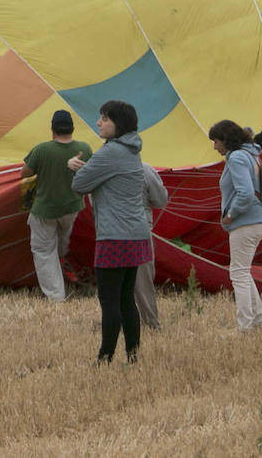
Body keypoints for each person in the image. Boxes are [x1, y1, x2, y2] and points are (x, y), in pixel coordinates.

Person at [68, 100, 152, 364]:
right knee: (127, 298)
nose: (98, 122)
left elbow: (80, 185)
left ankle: (105, 357)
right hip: (137, 233)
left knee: (109, 300)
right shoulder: (131, 150)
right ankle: (133, 355)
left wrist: (75, 168)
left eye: (104, 118)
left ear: (119, 124)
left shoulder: (110, 152)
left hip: (114, 236)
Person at [21, 109, 94, 301]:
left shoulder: (42, 149)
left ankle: (56, 296)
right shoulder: (85, 148)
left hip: (45, 211)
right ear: (72, 128)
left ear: (52, 129)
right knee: (61, 247)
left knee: (44, 251)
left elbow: (25, 173)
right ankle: (65, 270)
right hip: (72, 209)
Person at [210, 119, 262, 333]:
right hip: (259, 220)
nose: (214, 146)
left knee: (238, 275)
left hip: (245, 221)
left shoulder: (236, 158)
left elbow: (245, 193)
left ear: (226, 140)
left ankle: (245, 327)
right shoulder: (251, 154)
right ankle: (259, 322)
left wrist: (230, 214)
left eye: (216, 141)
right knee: (244, 272)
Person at [133, 163, 169, 330]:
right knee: (143, 281)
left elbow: (83, 189)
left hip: (110, 232)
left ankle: (118, 323)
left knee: (114, 281)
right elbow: (160, 200)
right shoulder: (145, 169)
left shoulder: (103, 165)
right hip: (139, 230)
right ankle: (150, 323)